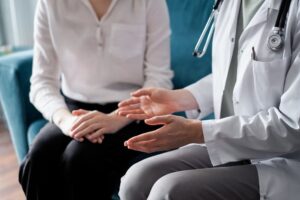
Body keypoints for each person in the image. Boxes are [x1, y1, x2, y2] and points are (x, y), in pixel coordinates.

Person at [117, 0, 300, 200]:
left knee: (168, 191)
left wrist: (198, 132)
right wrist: (178, 99)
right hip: (234, 144)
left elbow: (292, 127)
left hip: (284, 161)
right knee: (136, 179)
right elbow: (240, 73)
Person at [18, 0, 173, 199]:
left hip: (133, 113)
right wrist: (67, 122)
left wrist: (116, 118)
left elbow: (159, 79)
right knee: (37, 160)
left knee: (79, 159)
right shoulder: (50, 3)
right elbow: (42, 81)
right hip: (74, 110)